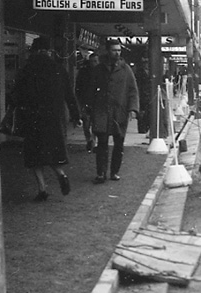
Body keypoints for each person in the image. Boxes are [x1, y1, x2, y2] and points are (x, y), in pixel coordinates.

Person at [13, 36, 80, 201]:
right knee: (52, 151)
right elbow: (69, 95)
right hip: (54, 118)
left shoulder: (27, 69)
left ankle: (42, 189)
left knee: (34, 156)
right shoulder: (58, 69)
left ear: (34, 51)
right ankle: (61, 174)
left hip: (32, 118)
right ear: (49, 51)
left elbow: (16, 95)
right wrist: (76, 115)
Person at [89, 38, 140, 183]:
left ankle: (114, 172)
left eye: (119, 50)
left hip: (120, 111)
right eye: (114, 50)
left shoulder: (126, 70)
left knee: (119, 143)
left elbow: (133, 90)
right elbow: (91, 90)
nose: (117, 53)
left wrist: (133, 109)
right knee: (102, 143)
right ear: (107, 51)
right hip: (102, 111)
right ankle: (101, 173)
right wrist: (90, 109)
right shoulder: (99, 69)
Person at [75, 52, 99, 151]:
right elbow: (78, 88)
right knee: (87, 123)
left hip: (95, 102)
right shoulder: (84, 73)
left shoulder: (99, 72)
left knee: (93, 123)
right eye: (93, 61)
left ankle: (92, 141)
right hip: (87, 100)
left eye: (96, 61)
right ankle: (90, 140)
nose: (94, 63)